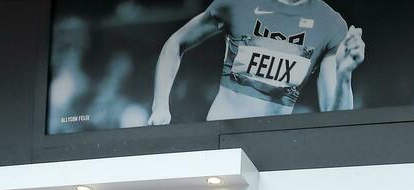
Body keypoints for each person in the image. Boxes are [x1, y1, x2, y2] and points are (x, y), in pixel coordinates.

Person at [149, 0, 366, 124]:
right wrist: (160, 107)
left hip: (271, 148)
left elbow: (335, 121)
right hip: (222, 137)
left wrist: (345, 75)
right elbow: (176, 42)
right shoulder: (238, 3)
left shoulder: (330, 23)